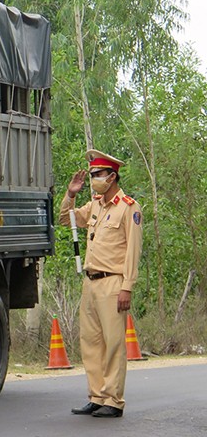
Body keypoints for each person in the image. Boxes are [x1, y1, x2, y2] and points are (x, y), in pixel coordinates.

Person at [60, 149, 142, 418]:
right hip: (91, 281)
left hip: (113, 282)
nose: (94, 178)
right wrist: (71, 194)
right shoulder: (95, 204)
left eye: (98, 174)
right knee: (91, 341)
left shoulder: (128, 207)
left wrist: (127, 286)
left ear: (112, 176)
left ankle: (113, 400)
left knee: (113, 342)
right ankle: (96, 396)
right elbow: (66, 220)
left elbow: (133, 250)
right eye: (92, 174)